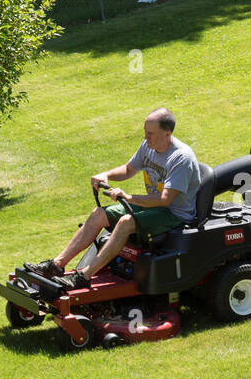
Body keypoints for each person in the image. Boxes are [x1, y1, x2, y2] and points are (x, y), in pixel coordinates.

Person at [27, 108, 200, 288]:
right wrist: (106, 175)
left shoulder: (181, 158)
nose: (145, 137)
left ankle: (84, 276)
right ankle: (56, 265)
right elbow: (129, 169)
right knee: (99, 213)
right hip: (154, 207)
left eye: (150, 133)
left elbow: (165, 200)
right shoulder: (149, 146)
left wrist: (128, 197)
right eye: (145, 132)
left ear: (167, 133)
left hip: (174, 214)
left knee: (126, 222)